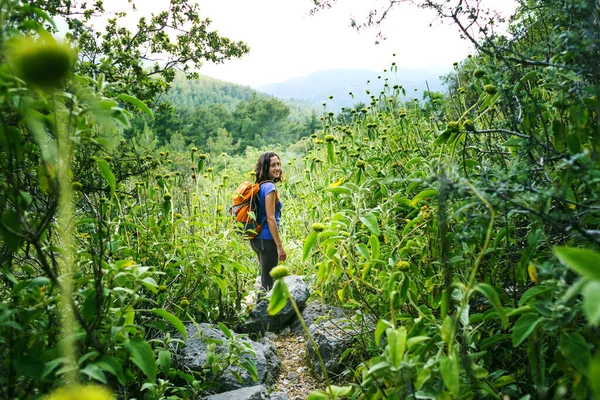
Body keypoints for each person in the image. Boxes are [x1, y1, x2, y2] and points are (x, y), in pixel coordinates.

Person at [251, 151, 286, 296]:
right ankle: (262, 317)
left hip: (256, 239)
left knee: (265, 279)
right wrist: (279, 247)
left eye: (278, 164)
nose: (277, 168)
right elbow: (270, 218)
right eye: (273, 165)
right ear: (265, 168)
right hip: (267, 240)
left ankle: (261, 314)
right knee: (267, 285)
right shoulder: (270, 188)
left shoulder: (258, 186)